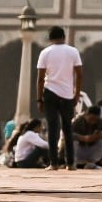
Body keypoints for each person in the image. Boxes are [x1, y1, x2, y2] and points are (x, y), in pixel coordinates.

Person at [36, 25, 82, 170]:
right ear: (64, 36)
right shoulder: (73, 51)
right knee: (68, 128)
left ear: (50, 38)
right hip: (67, 94)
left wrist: (39, 99)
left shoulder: (45, 52)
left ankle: (54, 163)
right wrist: (76, 94)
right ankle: (70, 163)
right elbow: (79, 75)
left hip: (50, 92)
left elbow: (40, 78)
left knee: (52, 128)